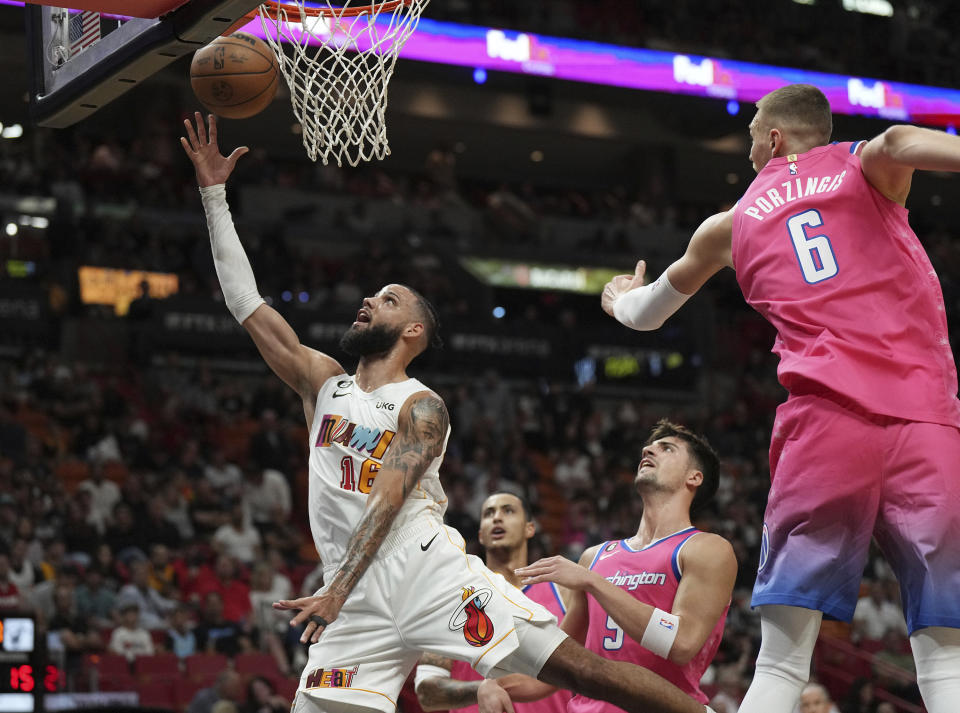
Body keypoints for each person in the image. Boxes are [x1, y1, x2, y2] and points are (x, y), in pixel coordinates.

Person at [181, 112, 716, 713]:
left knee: (584, 672)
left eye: (387, 299)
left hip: (427, 574)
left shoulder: (423, 404)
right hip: (352, 601)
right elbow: (247, 304)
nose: (367, 299)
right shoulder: (322, 383)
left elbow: (388, 498)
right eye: (371, 293)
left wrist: (337, 587)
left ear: (411, 330)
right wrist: (212, 194)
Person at [600, 83, 960, 713]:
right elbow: (901, 140)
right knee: (946, 646)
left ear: (772, 139)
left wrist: (618, 300)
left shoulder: (730, 223)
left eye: (749, 141)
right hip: (925, 420)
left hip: (826, 422)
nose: (746, 158)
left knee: (782, 657)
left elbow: (647, 313)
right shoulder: (861, 167)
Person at [477, 421, 737, 711]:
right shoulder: (595, 557)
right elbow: (556, 668)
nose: (648, 449)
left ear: (694, 477)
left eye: (667, 448)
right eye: (651, 445)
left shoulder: (707, 549)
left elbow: (682, 643)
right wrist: (493, 684)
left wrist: (594, 582)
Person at [414, 492, 572, 713]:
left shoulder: (563, 593)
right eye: (489, 513)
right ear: (481, 535)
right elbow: (426, 693)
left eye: (508, 510)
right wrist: (480, 689)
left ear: (530, 528)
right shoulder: (453, 598)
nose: (497, 518)